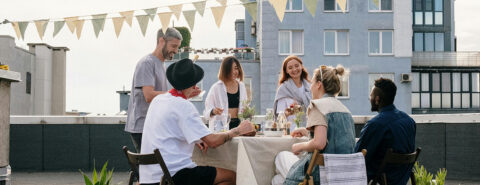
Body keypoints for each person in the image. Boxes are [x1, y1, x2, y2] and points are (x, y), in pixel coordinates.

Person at [139, 58, 254, 185]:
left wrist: (196, 139)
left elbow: (169, 129)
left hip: (149, 178)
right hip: (173, 176)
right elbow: (213, 142)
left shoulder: (159, 100)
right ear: (194, 85)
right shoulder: (183, 105)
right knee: (232, 176)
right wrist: (237, 130)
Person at [272, 65, 356, 185]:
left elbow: (319, 143)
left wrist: (298, 146)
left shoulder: (318, 106)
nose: (310, 87)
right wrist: (307, 132)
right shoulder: (345, 110)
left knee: (281, 156)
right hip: (342, 175)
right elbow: (333, 135)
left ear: (319, 84)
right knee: (277, 180)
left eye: (312, 83)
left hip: (321, 174)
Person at [124, 27, 200, 153]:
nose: (176, 51)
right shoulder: (147, 63)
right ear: (161, 41)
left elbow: (164, 99)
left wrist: (185, 95)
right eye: (174, 46)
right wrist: (178, 93)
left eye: (177, 47)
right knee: (151, 168)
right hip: (143, 127)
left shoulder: (162, 64)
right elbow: (149, 96)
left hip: (154, 126)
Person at [355, 78, 416, 185]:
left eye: (371, 95)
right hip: (401, 179)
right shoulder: (409, 121)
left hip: (381, 180)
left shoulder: (376, 124)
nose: (369, 98)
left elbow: (358, 157)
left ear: (377, 99)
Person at [204, 56, 248, 130]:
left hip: (238, 126)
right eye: (231, 69)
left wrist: (247, 111)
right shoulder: (216, 87)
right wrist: (213, 111)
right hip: (222, 127)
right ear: (225, 70)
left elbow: (245, 106)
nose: (234, 72)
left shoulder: (242, 86)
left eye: (236, 68)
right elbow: (206, 113)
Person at [273, 55, 311, 131]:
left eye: (297, 66)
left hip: (308, 129)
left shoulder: (309, 87)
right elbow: (279, 116)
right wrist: (289, 112)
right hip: (291, 131)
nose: (294, 69)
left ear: (301, 66)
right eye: (290, 68)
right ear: (286, 71)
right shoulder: (283, 89)